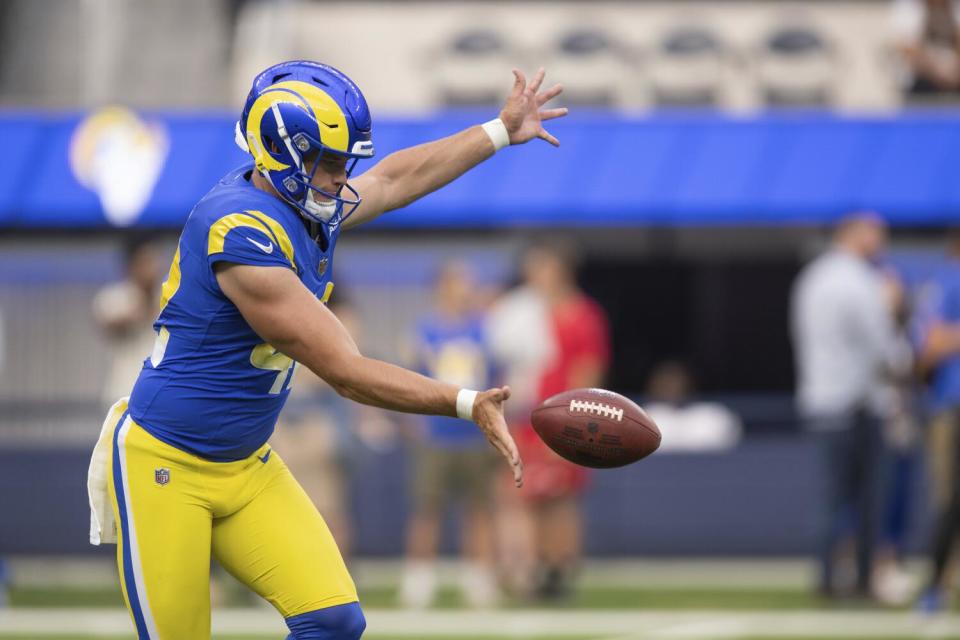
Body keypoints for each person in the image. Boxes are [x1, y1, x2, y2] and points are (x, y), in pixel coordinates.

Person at [86, 60, 566, 639]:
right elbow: (345, 370)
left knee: (335, 622)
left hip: (244, 462)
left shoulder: (300, 204)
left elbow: (393, 180)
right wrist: (465, 401)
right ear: (284, 158)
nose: (343, 178)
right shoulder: (240, 234)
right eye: (331, 164)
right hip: (167, 463)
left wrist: (497, 132)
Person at [493, 241, 610, 601]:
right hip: (526, 418)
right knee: (525, 495)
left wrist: (571, 427)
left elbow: (587, 375)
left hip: (562, 420)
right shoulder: (528, 313)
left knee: (560, 498)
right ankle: (533, 568)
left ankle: (561, 569)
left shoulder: (583, 316)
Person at [790, 212, 897, 601]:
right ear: (854, 234)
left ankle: (826, 579)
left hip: (821, 399)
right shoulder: (860, 280)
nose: (882, 242)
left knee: (830, 498)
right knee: (867, 498)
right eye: (876, 234)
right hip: (858, 403)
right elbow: (879, 346)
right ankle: (863, 579)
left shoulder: (813, 277)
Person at [399, 261, 500, 609]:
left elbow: (496, 379)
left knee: (479, 509)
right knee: (427, 508)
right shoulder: (424, 330)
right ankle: (419, 581)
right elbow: (407, 378)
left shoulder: (483, 330)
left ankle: (479, 580)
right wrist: (413, 422)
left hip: (474, 434)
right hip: (437, 434)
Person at [914, 229, 960, 612]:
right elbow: (929, 345)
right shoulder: (948, 280)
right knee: (950, 498)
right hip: (953, 405)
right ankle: (936, 587)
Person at [92, 239, 164, 409]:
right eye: (146, 261)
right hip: (124, 394)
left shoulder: (167, 295)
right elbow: (111, 323)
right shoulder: (114, 296)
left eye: (154, 260)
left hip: (160, 397)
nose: (152, 268)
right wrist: (144, 305)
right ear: (131, 265)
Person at [642, 360, 742, 453]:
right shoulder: (644, 416)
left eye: (676, 381)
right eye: (664, 383)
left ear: (689, 384)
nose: (671, 387)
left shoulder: (714, 416)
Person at [890, 0, 960, 100]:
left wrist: (953, 72)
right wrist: (938, 72)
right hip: (921, 82)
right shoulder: (909, 6)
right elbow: (909, 51)